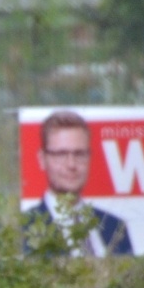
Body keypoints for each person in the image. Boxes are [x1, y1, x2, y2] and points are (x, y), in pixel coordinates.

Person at [22, 109, 133, 258]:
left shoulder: (115, 227)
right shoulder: (24, 229)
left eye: (79, 154)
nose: (71, 164)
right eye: (61, 154)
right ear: (42, 159)